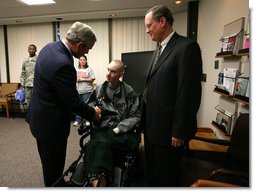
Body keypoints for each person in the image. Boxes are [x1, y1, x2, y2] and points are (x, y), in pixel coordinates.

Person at [26, 21, 101, 187]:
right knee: (53, 168)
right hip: (51, 127)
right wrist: (93, 113)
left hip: (39, 118)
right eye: (87, 48)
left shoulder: (49, 48)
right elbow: (73, 102)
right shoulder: (62, 64)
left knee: (49, 164)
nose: (87, 52)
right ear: (79, 44)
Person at [142, 5, 203, 186]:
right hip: (152, 127)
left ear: (162, 22)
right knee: (151, 174)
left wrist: (179, 131)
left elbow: (188, 93)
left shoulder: (187, 47)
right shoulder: (158, 49)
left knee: (166, 178)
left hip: (170, 132)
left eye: (149, 25)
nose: (147, 31)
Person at [83, 59, 141, 187]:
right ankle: (99, 182)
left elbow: (135, 115)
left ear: (121, 74)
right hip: (102, 129)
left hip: (120, 132)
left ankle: (98, 181)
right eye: (108, 70)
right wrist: (94, 111)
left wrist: (121, 127)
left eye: (113, 71)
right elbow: (89, 106)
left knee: (97, 146)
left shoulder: (128, 92)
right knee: (97, 145)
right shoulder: (98, 89)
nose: (108, 74)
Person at [73, 55, 96, 126]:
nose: (82, 61)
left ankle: (87, 120)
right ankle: (77, 120)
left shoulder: (89, 69)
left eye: (84, 60)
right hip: (77, 91)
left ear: (86, 61)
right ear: (79, 61)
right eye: (81, 60)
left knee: (86, 106)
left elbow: (92, 79)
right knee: (77, 106)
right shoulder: (75, 69)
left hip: (87, 91)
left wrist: (82, 79)